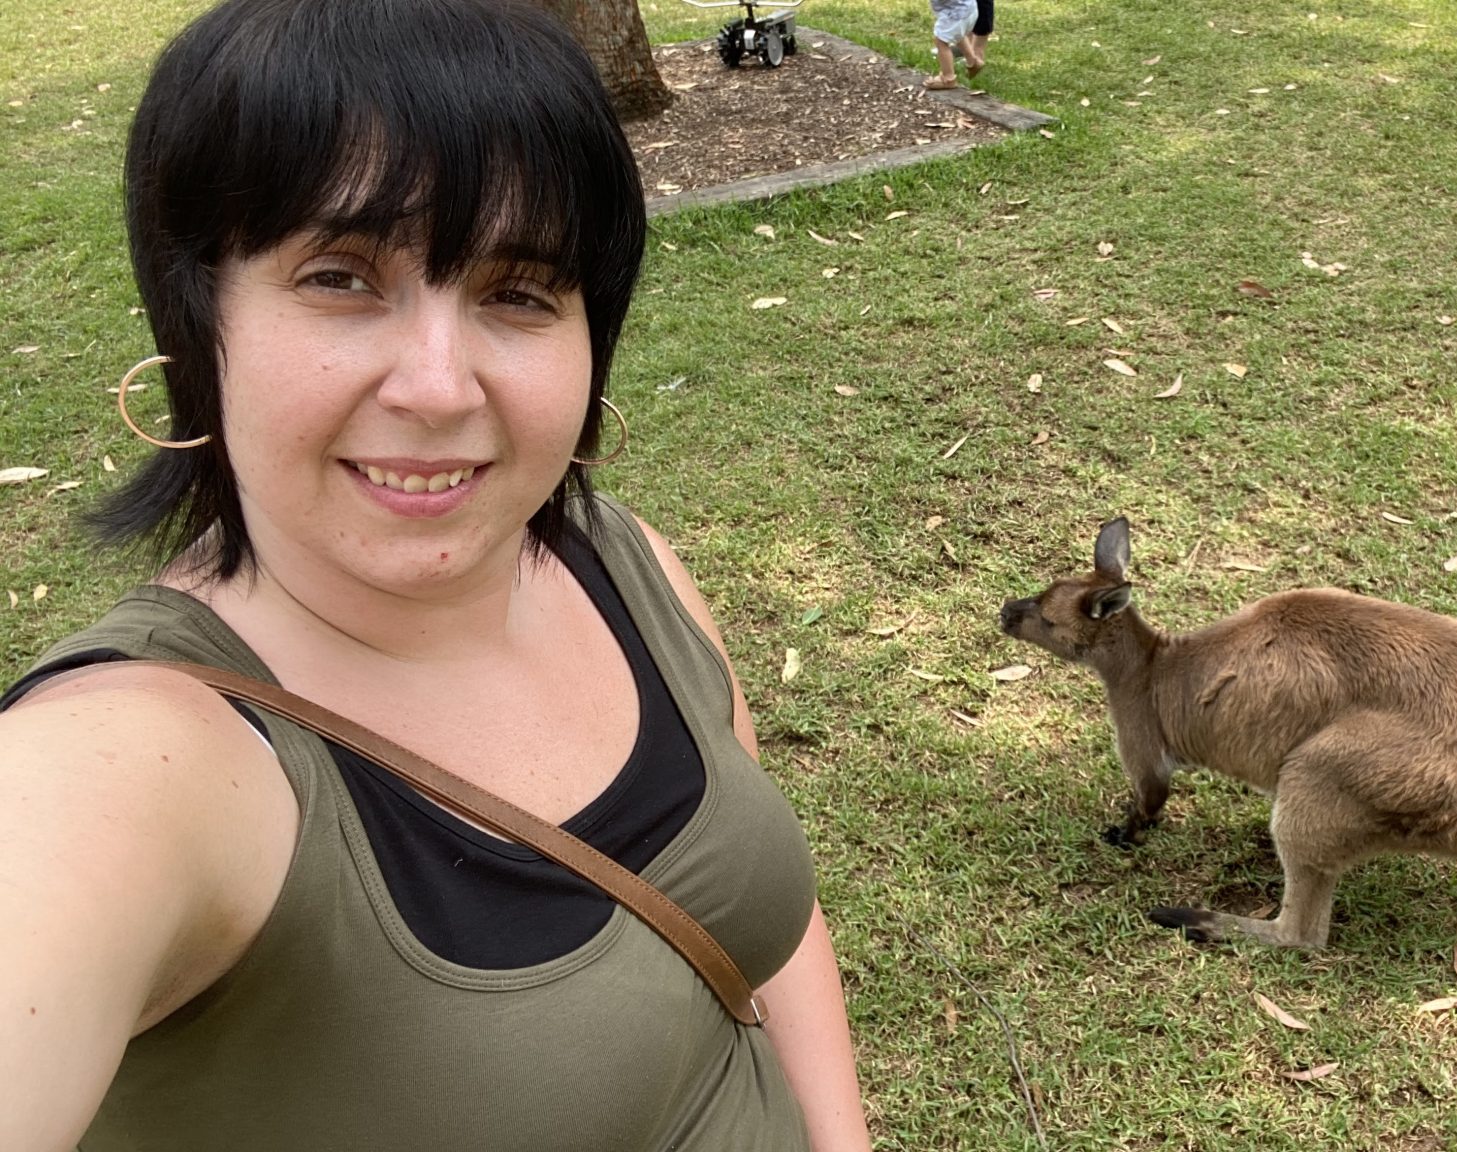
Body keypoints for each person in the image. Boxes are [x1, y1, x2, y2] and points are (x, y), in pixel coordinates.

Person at [0, 1, 871, 1149]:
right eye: (340, 277)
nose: (439, 386)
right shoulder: (128, 767)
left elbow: (766, 918)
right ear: (197, 316)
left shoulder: (622, 564)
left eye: (517, 290)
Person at [926, 0, 976, 90]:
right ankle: (973, 61)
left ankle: (948, 78)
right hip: (969, 8)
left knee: (941, 41)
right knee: (957, 34)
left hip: (956, 13)